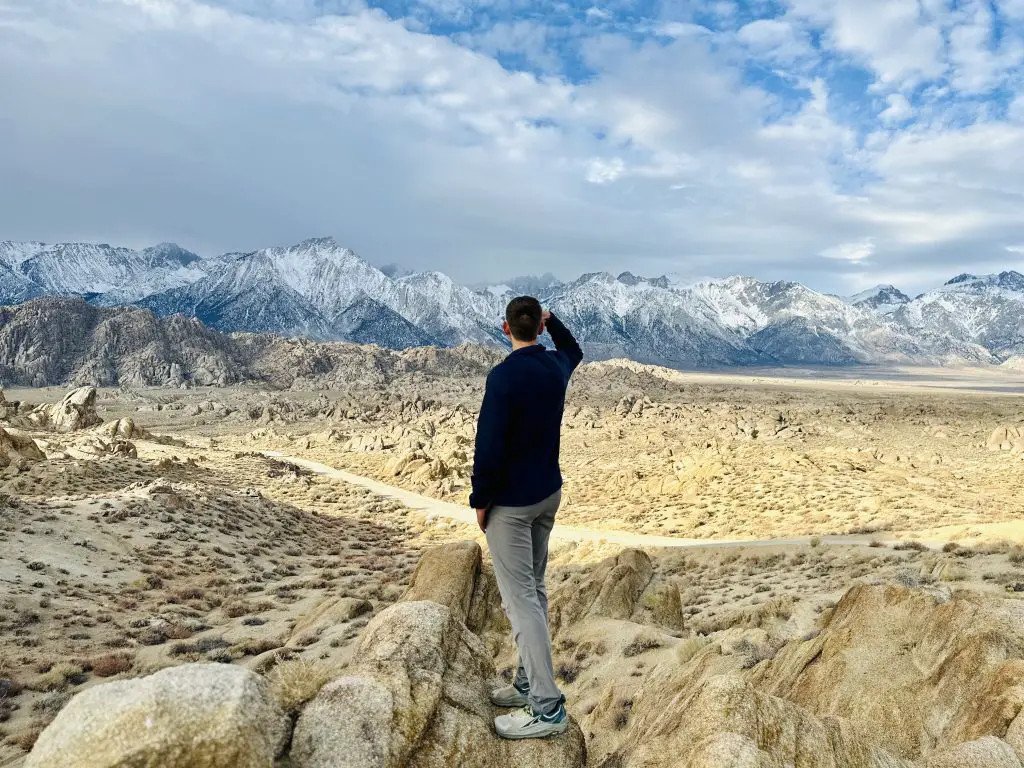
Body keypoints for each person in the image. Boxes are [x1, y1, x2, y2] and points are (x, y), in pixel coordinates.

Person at [470, 295, 584, 740]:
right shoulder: (555, 367)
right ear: (538, 326)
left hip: (512, 508)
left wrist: (481, 499)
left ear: (505, 329)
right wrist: (555, 324)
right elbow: (574, 351)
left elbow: (489, 445)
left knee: (521, 606)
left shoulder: (503, 378)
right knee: (534, 592)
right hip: (547, 496)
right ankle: (525, 683)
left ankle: (546, 708)